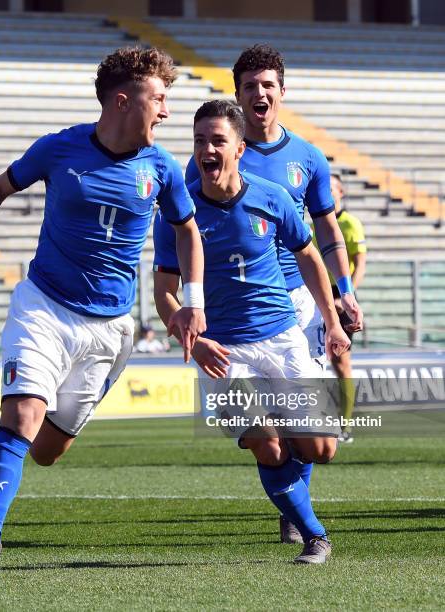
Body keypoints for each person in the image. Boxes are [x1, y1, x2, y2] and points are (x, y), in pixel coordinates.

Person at [0, 46, 206, 583]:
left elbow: (187, 231)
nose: (167, 111)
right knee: (21, 416)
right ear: (121, 100)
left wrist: (191, 304)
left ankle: (13, 477)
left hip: (110, 330)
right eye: (159, 98)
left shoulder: (161, 168)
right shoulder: (58, 148)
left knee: (46, 450)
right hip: (43, 306)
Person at [154, 100, 351, 563]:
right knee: (266, 444)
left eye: (218, 140)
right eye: (199, 140)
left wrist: (332, 319)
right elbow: (164, 289)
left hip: (283, 337)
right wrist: (192, 339)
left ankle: (287, 447)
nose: (207, 149)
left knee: (322, 449)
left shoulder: (272, 197)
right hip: (223, 348)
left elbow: (308, 257)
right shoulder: (177, 214)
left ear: (240, 148)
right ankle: (314, 535)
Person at [186, 44, 364, 544]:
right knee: (268, 433)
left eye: (268, 85)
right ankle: (297, 513)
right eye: (249, 86)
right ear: (237, 95)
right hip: (241, 308)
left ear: (282, 92)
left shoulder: (307, 157)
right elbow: (186, 232)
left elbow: (326, 232)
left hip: (301, 300)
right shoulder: (209, 158)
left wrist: (343, 293)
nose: (259, 93)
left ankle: (292, 497)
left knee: (315, 437)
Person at [315, 174, 367, 443]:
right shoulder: (313, 223)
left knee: (341, 362)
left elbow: (360, 262)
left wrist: (347, 295)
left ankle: (344, 425)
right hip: (313, 294)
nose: (329, 194)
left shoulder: (349, 223)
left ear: (341, 192)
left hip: (340, 295)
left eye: (333, 189)